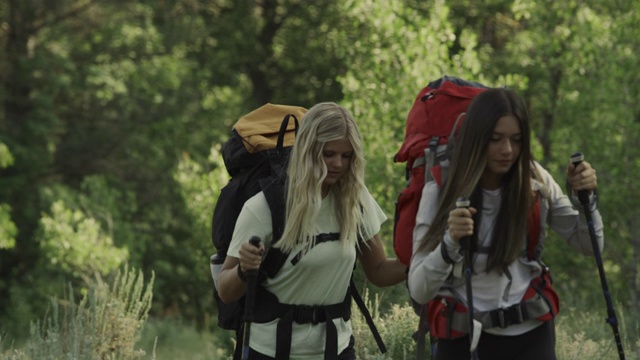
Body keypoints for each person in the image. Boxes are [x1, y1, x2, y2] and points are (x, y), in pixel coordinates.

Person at [407, 88, 604, 360]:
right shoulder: (441, 191)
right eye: (495, 139)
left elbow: (589, 244)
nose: (507, 150)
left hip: (532, 335)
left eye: (517, 140)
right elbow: (418, 288)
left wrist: (585, 200)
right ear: (477, 138)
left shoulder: (536, 181)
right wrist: (450, 243)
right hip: (463, 337)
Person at [218, 102, 407, 360]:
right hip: (269, 350)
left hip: (336, 349)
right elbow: (226, 291)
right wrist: (243, 269)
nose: (338, 163)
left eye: (346, 155)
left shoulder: (356, 201)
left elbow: (378, 271)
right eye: (328, 154)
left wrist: (429, 258)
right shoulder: (264, 207)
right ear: (308, 150)